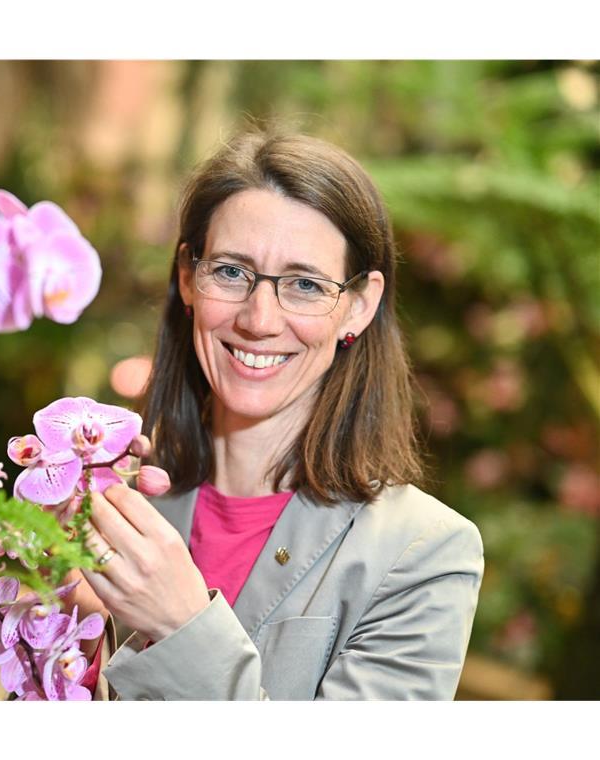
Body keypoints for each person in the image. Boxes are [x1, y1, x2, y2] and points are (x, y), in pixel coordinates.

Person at [69, 129, 484, 700]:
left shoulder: (423, 555)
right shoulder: (115, 501)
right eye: (232, 272)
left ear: (358, 307)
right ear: (189, 277)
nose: (259, 319)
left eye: (306, 284)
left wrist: (180, 627)